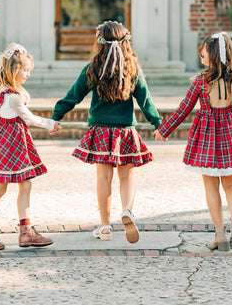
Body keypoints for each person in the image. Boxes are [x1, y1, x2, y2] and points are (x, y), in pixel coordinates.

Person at [51, 21, 162, 243]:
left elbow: (73, 96)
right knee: (127, 176)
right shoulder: (133, 69)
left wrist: (55, 117)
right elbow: (145, 101)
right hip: (125, 132)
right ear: (126, 42)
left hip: (100, 130)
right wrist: (159, 124)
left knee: (103, 178)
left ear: (99, 43)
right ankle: (127, 210)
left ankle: (105, 226)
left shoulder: (93, 68)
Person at [154, 32, 232, 251]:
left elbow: (184, 109)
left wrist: (164, 130)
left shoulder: (201, 82)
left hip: (208, 138)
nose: (200, 55)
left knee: (211, 186)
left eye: (203, 51)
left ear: (211, 54)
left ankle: (220, 236)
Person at [0, 43, 61, 250]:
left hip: (2, 146)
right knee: (1, 188)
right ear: (13, 70)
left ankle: (25, 232)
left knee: (22, 185)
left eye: (29, 70)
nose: (28, 74)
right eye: (25, 70)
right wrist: (50, 124)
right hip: (12, 147)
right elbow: (29, 118)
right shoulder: (13, 97)